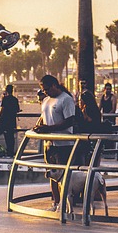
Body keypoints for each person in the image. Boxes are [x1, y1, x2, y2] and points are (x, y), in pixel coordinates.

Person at [34, 74, 77, 211]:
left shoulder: (66, 99)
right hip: (49, 144)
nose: (45, 92)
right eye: (43, 90)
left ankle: (66, 203)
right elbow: (44, 117)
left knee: (64, 176)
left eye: (47, 89)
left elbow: (70, 121)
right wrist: (38, 127)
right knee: (52, 174)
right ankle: (56, 202)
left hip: (64, 144)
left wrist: (49, 129)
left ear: (54, 85)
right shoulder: (46, 100)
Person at [0, 84, 21, 157]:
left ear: (6, 90)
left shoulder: (5, 99)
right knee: (10, 137)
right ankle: (10, 152)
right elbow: (17, 109)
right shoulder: (15, 99)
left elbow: (1, 109)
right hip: (11, 121)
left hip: (4, 120)